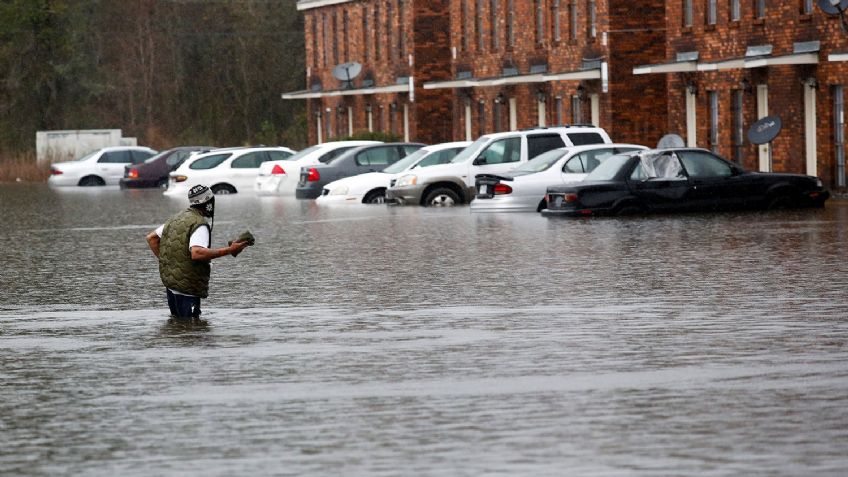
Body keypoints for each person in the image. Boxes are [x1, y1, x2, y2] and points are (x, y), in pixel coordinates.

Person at [146, 184, 248, 320]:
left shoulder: (176, 218)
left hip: (171, 286)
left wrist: (168, 263)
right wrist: (230, 250)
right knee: (192, 328)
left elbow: (151, 238)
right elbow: (197, 253)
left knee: (178, 326)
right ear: (208, 203)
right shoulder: (199, 224)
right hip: (188, 289)